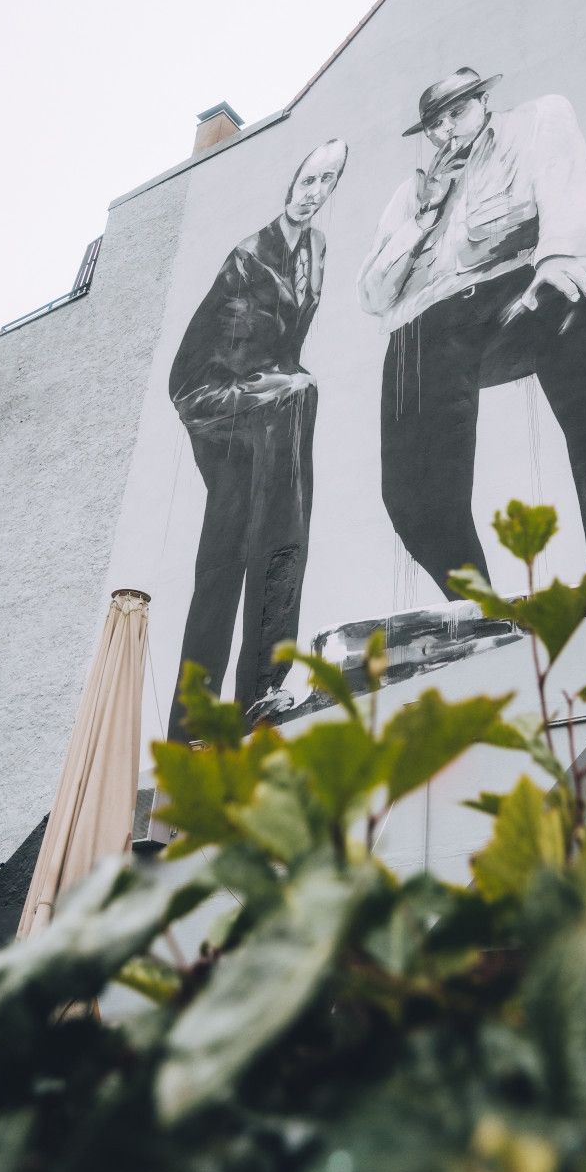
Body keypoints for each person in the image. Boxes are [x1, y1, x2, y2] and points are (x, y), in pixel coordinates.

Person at [358, 68, 586, 594]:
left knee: (583, 300)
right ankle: (478, 611)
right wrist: (426, 210)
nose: (446, 133)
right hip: (428, 329)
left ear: (484, 101)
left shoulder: (533, 123)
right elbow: (372, 295)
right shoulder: (409, 195)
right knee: (410, 494)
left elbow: (564, 185)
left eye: (456, 114)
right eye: (434, 126)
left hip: (513, 299)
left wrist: (557, 255)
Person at [167, 139, 348, 738]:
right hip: (219, 401)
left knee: (253, 550)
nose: (313, 191)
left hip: (274, 419)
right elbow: (210, 361)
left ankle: (252, 698)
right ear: (291, 179)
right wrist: (272, 387)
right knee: (226, 563)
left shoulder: (317, 250)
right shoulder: (246, 256)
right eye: (308, 177)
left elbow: (290, 345)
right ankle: (217, 712)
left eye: (327, 181)